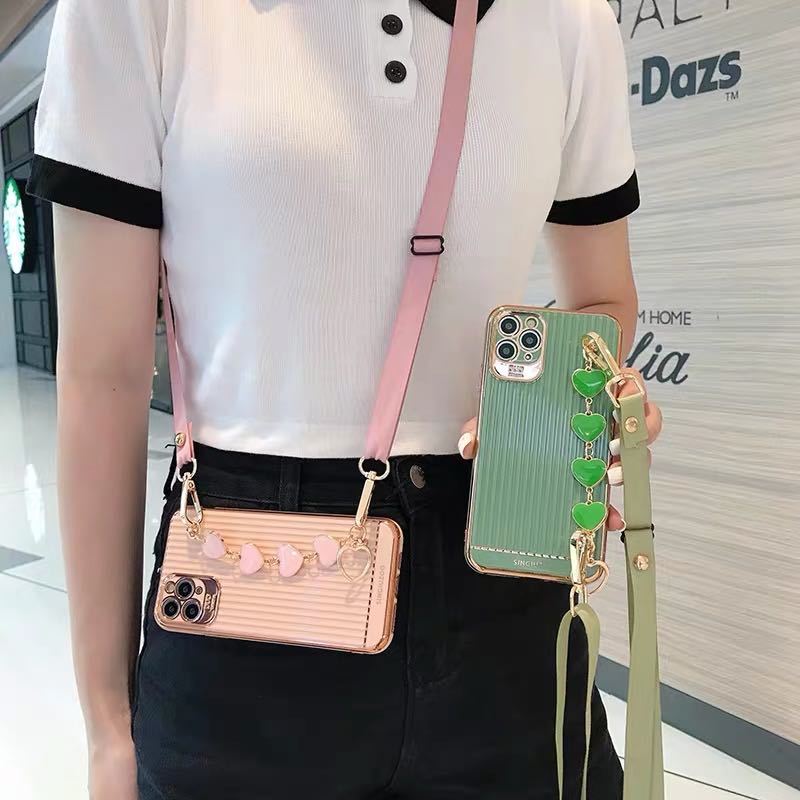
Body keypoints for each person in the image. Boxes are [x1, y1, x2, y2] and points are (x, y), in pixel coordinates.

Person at [27, 0, 663, 798]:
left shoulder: (567, 18)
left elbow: (604, 295)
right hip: (241, 595)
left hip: (503, 592)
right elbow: (104, 370)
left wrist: (560, 404)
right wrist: (107, 729)